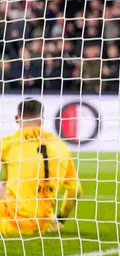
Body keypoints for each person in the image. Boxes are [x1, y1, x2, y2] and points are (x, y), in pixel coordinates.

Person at [0, 98, 82, 236]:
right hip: (45, 224)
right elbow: (76, 190)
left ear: (16, 118)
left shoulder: (8, 144)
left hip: (12, 224)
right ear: (42, 119)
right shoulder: (60, 146)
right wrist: (61, 217)